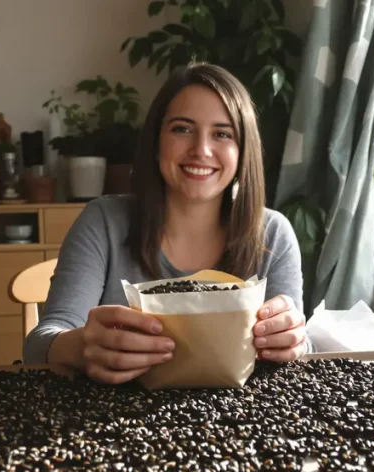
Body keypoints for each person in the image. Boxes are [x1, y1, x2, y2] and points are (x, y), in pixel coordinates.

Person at [24, 63, 310, 384]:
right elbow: (39, 345)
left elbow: (299, 350)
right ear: (155, 140)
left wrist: (294, 338)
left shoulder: (274, 233)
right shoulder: (102, 221)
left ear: (243, 150)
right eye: (182, 129)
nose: (201, 150)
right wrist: (80, 345)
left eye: (222, 133)